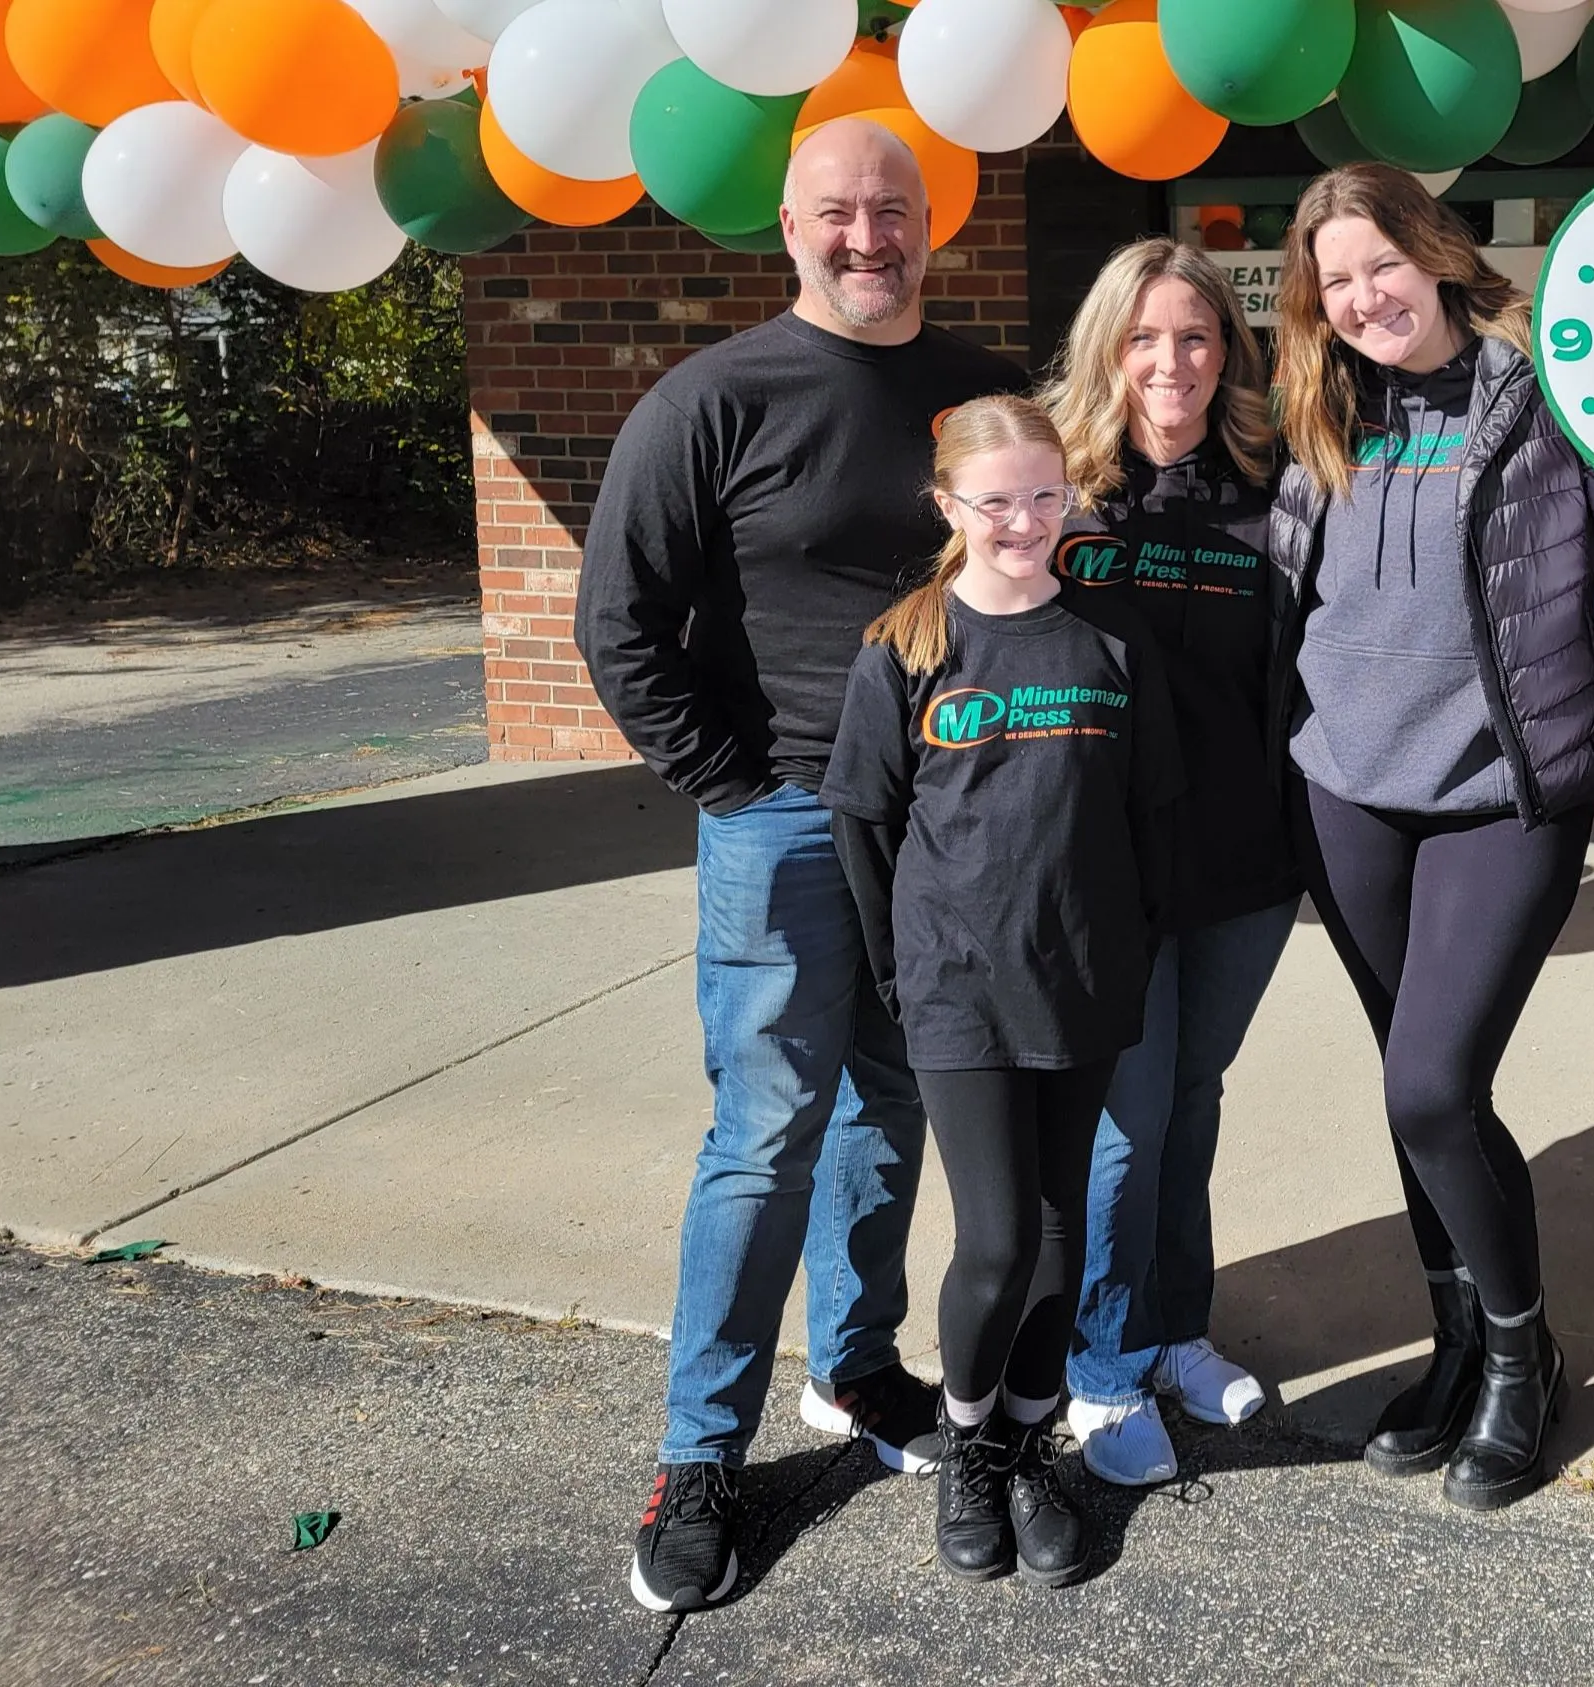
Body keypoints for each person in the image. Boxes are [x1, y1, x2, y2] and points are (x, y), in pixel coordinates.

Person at [577, 119, 1024, 1614]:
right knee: (767, 1125)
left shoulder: (979, 391)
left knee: (893, 1099)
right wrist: (732, 781)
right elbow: (618, 624)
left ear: (927, 223)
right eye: (839, 212)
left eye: (891, 210)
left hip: (943, 821)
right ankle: (700, 1452)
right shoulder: (712, 398)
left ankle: (853, 1362)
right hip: (780, 818)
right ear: (789, 225)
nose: (867, 235)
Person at [1267, 163, 1594, 1511]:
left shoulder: (1544, 402)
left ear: (1436, 250)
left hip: (1499, 796)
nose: (1363, 299)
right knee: (1428, 1099)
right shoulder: (1323, 406)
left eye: (1380, 266)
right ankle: (1457, 1342)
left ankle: (1527, 1360)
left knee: (1429, 1082)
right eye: (1335, 282)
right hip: (1346, 792)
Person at [820, 394, 1183, 1586]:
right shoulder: (908, 648)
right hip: (957, 991)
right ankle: (970, 1446)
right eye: (995, 501)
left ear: (1067, 495)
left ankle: (1030, 1445)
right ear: (947, 507)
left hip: (1081, 982)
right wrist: (900, 972)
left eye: (1044, 496)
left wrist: (1127, 944)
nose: (1023, 520)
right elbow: (865, 824)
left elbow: (1151, 819)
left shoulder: (1114, 641)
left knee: (1064, 1227)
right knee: (996, 1237)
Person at [1034, 239, 1297, 1485]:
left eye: (1194, 337)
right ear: (1109, 350)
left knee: (1193, 1105)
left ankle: (1177, 1326)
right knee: (1126, 1129)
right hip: (1112, 869)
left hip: (1244, 862)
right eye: (1144, 337)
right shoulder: (1064, 497)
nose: (1171, 361)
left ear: (1226, 352)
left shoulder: (1276, 485)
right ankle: (1101, 1367)